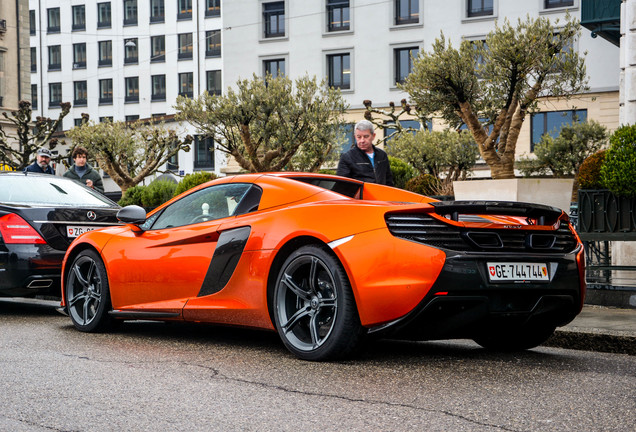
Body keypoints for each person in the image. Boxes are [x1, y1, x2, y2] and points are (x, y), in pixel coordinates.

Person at [336, 120, 394, 186]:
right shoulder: (347, 157)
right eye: (359, 137)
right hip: (359, 196)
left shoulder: (382, 155)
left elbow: (389, 181)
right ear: (355, 136)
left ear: (373, 136)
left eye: (366, 136)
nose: (362, 140)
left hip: (380, 195)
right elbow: (341, 185)